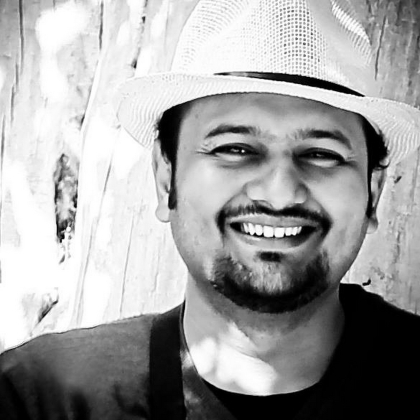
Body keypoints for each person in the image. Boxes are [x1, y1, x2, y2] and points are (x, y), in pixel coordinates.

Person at [1, 0, 420, 419]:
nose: (279, 194)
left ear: (373, 192)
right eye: (234, 149)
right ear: (165, 179)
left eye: (322, 154)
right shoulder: (40, 399)